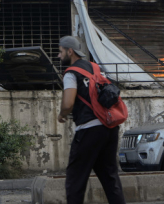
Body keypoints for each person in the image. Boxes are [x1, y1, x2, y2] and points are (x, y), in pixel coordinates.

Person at [57, 36, 126, 204]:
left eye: (60, 52)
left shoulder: (71, 73)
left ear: (70, 51)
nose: (59, 56)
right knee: (110, 178)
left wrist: (62, 114)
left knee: (75, 179)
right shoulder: (95, 68)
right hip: (109, 128)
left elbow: (68, 103)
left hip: (89, 130)